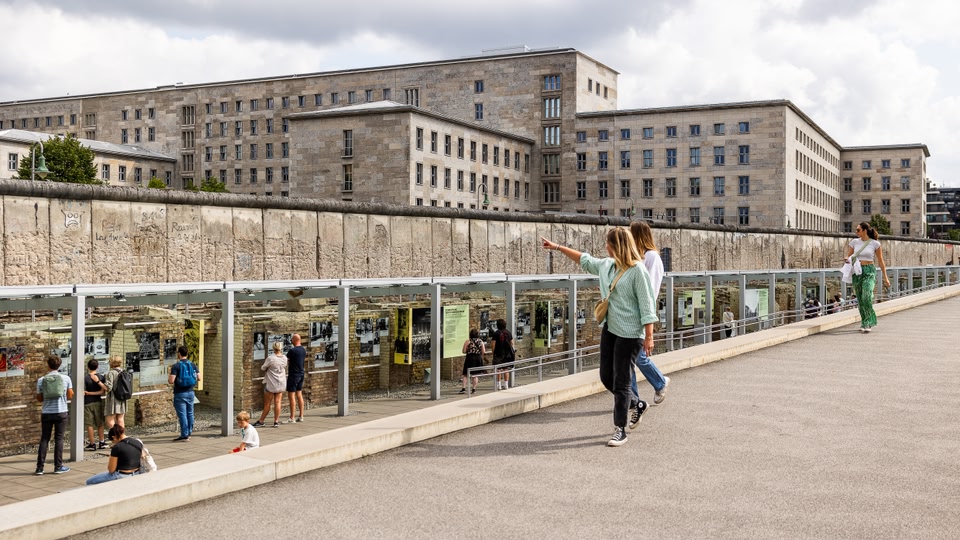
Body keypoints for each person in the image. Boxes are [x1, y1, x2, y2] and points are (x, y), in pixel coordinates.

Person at [542, 228, 657, 447]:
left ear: (618, 245)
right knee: (606, 376)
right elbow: (583, 259)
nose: (605, 246)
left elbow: (647, 305)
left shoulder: (637, 271)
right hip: (611, 329)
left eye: (608, 243)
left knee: (622, 380)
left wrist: (649, 336)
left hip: (631, 334)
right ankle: (636, 404)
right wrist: (557, 247)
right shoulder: (606, 266)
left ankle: (620, 429)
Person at [628, 221, 671, 406]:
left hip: (641, 313)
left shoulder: (652, 257)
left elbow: (650, 290)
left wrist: (648, 329)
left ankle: (660, 382)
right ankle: (632, 398)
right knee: (627, 356)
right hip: (630, 312)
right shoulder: (637, 257)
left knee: (637, 355)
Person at [844, 221, 890, 332]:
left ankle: (869, 321)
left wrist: (886, 277)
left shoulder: (875, 244)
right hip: (857, 271)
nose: (856, 232)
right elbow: (849, 256)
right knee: (860, 298)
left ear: (865, 230)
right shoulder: (854, 242)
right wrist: (846, 259)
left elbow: (881, 261)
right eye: (856, 230)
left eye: (858, 230)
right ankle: (864, 321)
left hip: (869, 271)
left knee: (866, 296)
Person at [35, 355, 74, 475]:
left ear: (48, 365)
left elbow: (39, 398)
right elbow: (70, 395)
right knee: (59, 439)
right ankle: (58, 466)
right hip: (61, 412)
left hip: (46, 413)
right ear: (59, 365)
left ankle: (40, 468)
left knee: (44, 439)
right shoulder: (66, 378)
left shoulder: (41, 380)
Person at [169, 345, 201, 441]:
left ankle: (184, 434)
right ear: (187, 354)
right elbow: (199, 378)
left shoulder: (176, 366)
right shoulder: (193, 365)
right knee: (190, 413)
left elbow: (171, 380)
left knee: (182, 414)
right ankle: (189, 432)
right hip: (191, 392)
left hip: (180, 393)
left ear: (179, 354)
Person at [254, 341, 286, 428]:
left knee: (267, 404)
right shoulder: (284, 358)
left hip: (271, 383)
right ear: (281, 348)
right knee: (278, 402)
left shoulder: (270, 358)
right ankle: (276, 421)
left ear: (273, 348)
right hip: (281, 383)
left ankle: (261, 421)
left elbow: (263, 367)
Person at [83, 358, 108, 451]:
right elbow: (102, 391)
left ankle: (92, 444)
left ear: (88, 367)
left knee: (89, 424)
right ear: (97, 367)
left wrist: (89, 393)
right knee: (100, 423)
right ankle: (101, 441)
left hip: (87, 402)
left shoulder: (85, 378)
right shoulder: (101, 377)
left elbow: (83, 392)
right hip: (98, 401)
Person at [284, 334, 306, 423]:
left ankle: (292, 417)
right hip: (301, 374)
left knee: (291, 396)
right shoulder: (303, 350)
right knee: (299, 395)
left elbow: (286, 360)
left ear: (294, 340)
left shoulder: (292, 351)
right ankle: (301, 416)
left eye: (292, 339)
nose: (291, 341)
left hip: (293, 375)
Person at [103, 356, 127, 430]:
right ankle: (122, 436)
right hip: (123, 397)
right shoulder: (124, 372)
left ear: (112, 363)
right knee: (120, 418)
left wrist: (99, 382)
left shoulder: (111, 373)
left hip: (113, 398)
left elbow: (108, 388)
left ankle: (116, 435)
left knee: (110, 419)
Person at [490, 319, 514, 390]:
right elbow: (512, 343)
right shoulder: (508, 333)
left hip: (498, 353)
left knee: (498, 369)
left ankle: (499, 385)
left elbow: (493, 344)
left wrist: (493, 352)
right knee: (506, 369)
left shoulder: (496, 333)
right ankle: (506, 384)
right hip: (507, 354)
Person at [460, 328, 485, 394]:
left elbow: (464, 351)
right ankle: (473, 389)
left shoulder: (468, 341)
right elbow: (483, 351)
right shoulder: (481, 341)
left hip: (470, 358)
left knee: (465, 374)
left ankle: (463, 388)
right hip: (477, 358)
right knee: (475, 375)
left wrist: (469, 350)